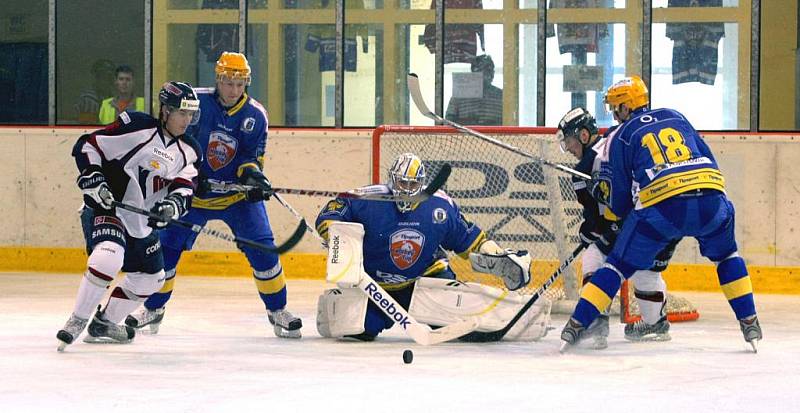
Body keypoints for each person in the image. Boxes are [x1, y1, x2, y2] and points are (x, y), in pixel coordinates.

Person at [559, 76, 762, 352]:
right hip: (712, 199)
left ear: (623, 107)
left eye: (615, 107)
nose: (614, 113)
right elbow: (707, 157)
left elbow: (618, 202)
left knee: (615, 264)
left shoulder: (621, 135)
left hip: (662, 210)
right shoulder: (674, 115)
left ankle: (578, 325)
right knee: (727, 256)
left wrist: (612, 218)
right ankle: (749, 322)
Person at [125, 52, 303, 339]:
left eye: (240, 84)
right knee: (166, 250)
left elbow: (249, 157)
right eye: (229, 83)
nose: (234, 90)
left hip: (236, 199)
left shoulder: (256, 115)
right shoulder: (195, 103)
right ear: (218, 79)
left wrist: (254, 178)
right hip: (192, 197)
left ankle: (278, 310)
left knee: (263, 251)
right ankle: (154, 309)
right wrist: (193, 178)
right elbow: (175, 145)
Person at [314, 153, 548, 342]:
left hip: (425, 279)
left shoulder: (440, 206)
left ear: (422, 183)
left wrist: (495, 254)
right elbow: (330, 213)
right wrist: (338, 235)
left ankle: (519, 316)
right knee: (359, 330)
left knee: (459, 326)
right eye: (401, 182)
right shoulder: (365, 199)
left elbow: (469, 241)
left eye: (412, 183)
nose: (406, 188)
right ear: (391, 179)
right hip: (375, 286)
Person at [56, 81, 202, 351]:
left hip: (140, 223)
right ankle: (77, 319)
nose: (187, 120)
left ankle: (105, 323)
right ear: (166, 111)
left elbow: (186, 187)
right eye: (182, 113)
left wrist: (170, 207)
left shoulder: (190, 150)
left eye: (191, 114)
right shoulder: (137, 126)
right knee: (109, 255)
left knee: (153, 279)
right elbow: (89, 146)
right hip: (108, 208)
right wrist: (95, 179)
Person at [557, 107, 678, 347]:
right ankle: (656, 323)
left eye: (570, 141)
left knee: (594, 254)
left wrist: (589, 231)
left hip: (632, 223)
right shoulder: (617, 138)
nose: (569, 148)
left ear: (583, 136)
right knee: (645, 269)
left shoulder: (583, 169)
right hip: (662, 217)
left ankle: (595, 322)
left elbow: (595, 221)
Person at [445, 54, 503, 126]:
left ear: (493, 73)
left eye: (489, 70)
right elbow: (449, 123)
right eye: (482, 70)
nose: (486, 74)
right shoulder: (459, 96)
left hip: (494, 136)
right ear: (473, 73)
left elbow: (508, 122)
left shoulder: (501, 96)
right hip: (465, 136)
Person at [75, 59, 116, 124]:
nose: (106, 81)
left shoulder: (113, 98)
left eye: (109, 77)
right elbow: (87, 127)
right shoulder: (88, 99)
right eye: (102, 76)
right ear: (96, 78)